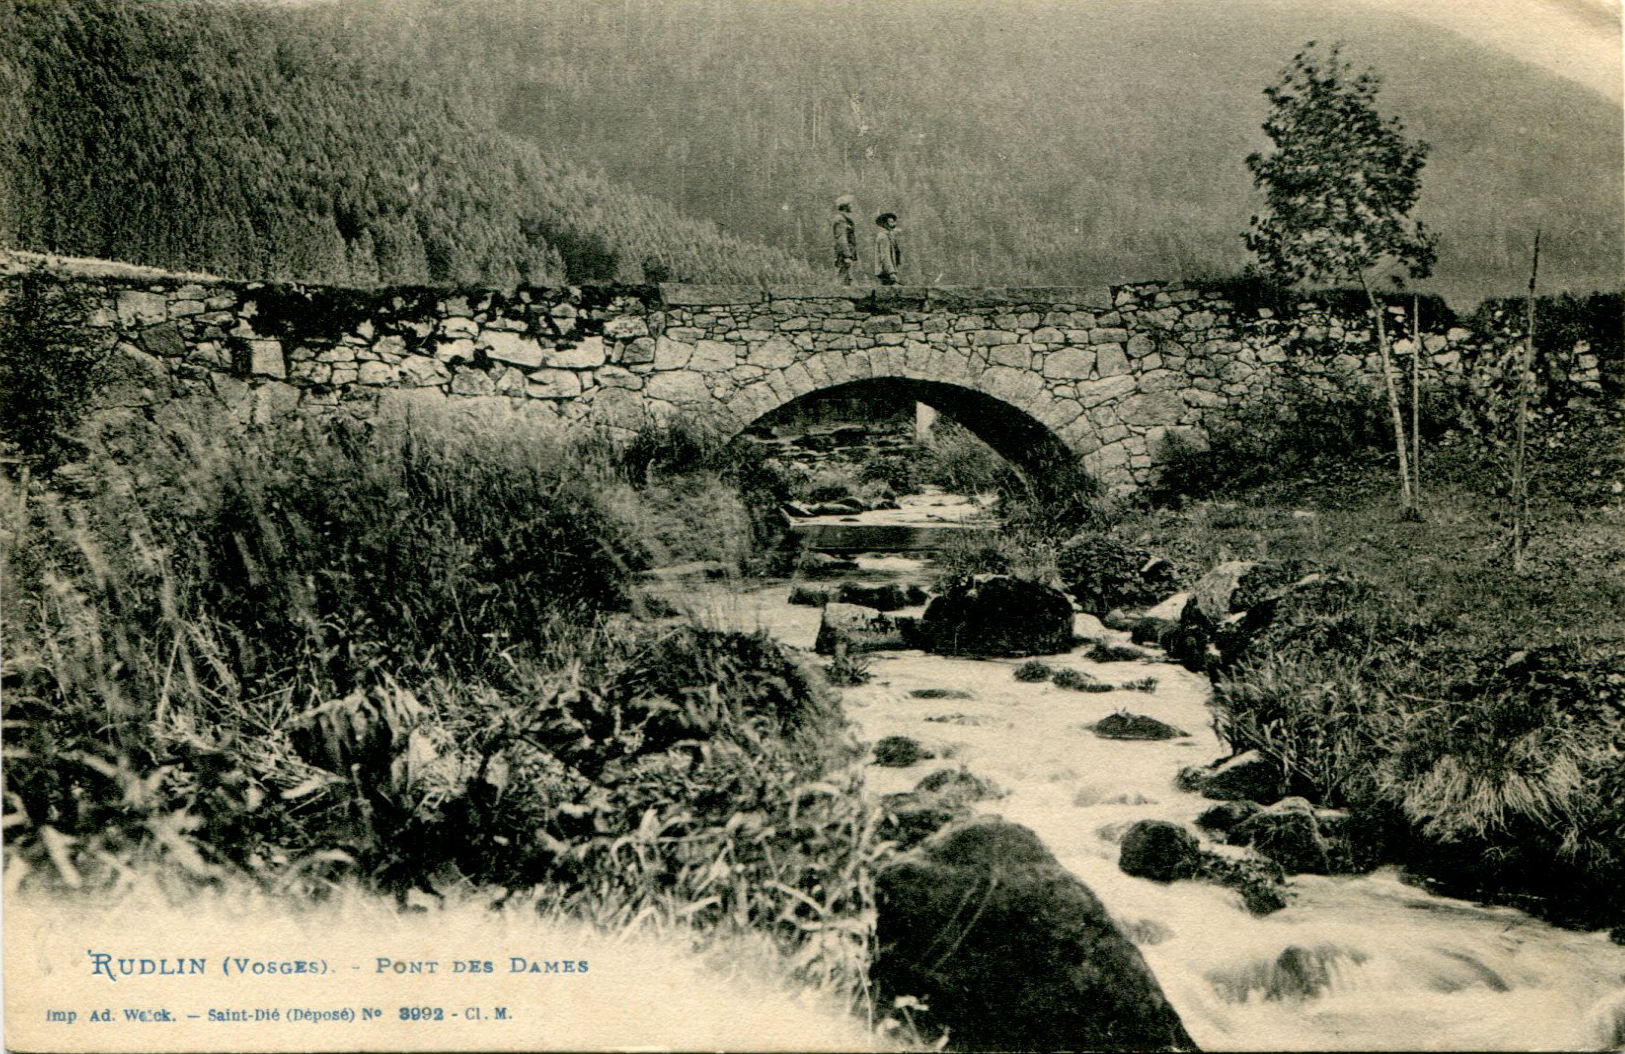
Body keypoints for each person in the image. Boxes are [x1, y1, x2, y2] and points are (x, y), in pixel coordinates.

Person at [831, 194, 858, 284]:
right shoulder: (840, 219)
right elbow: (841, 239)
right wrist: (847, 255)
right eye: (850, 204)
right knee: (842, 278)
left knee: (847, 278)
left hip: (846, 253)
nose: (852, 206)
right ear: (845, 206)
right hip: (843, 255)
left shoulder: (844, 219)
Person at [874, 211, 902, 285]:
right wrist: (891, 272)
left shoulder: (889, 236)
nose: (894, 224)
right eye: (891, 222)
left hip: (887, 270)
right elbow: (885, 256)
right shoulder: (883, 237)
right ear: (885, 224)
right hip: (885, 272)